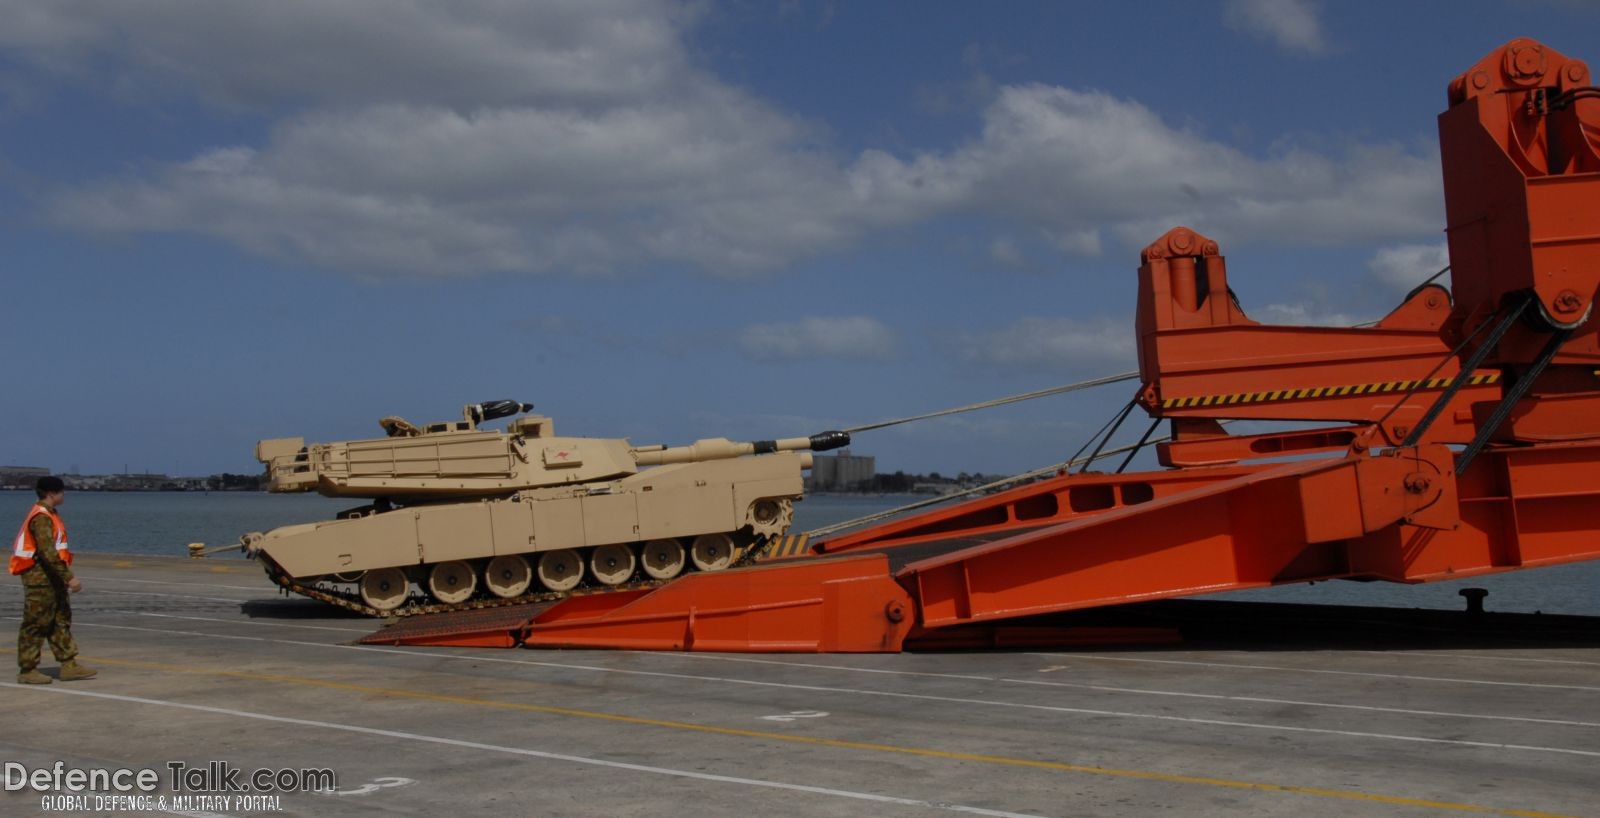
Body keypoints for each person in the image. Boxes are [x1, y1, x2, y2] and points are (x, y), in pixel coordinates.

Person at [11, 475, 95, 684]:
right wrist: (70, 578)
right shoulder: (41, 517)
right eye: (61, 491)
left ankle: (68, 664)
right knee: (36, 623)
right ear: (52, 493)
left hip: (51, 579)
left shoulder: (50, 514)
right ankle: (27, 669)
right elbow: (48, 553)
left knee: (60, 621)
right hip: (40, 579)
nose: (63, 494)